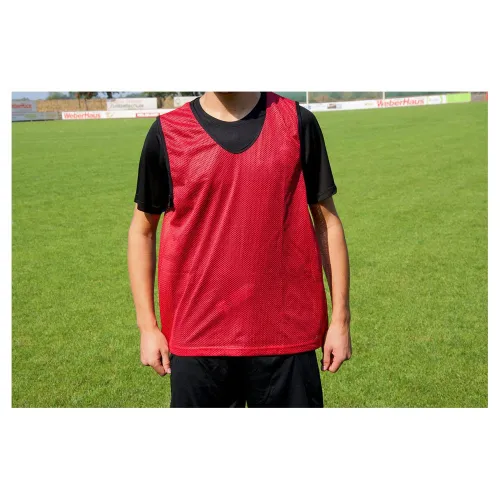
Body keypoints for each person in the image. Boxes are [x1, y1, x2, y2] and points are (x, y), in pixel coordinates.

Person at [128, 92, 351, 408]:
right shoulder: (167, 132)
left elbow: (327, 223)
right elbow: (142, 231)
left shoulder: (298, 122)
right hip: (197, 339)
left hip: (286, 337)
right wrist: (147, 327)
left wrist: (341, 320)